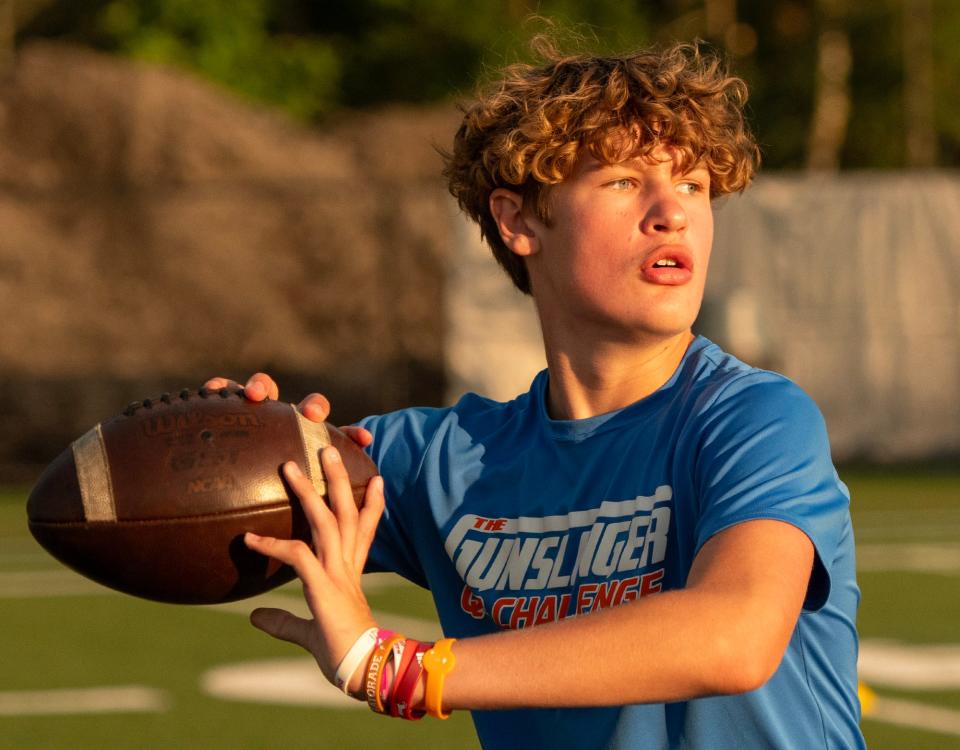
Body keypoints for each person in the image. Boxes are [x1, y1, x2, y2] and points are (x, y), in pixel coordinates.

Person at [207, 38, 864, 749]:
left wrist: (400, 670)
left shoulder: (752, 418)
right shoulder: (442, 463)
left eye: (693, 185)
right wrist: (229, 433)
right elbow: (219, 504)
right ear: (518, 220)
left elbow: (733, 633)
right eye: (623, 181)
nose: (672, 213)